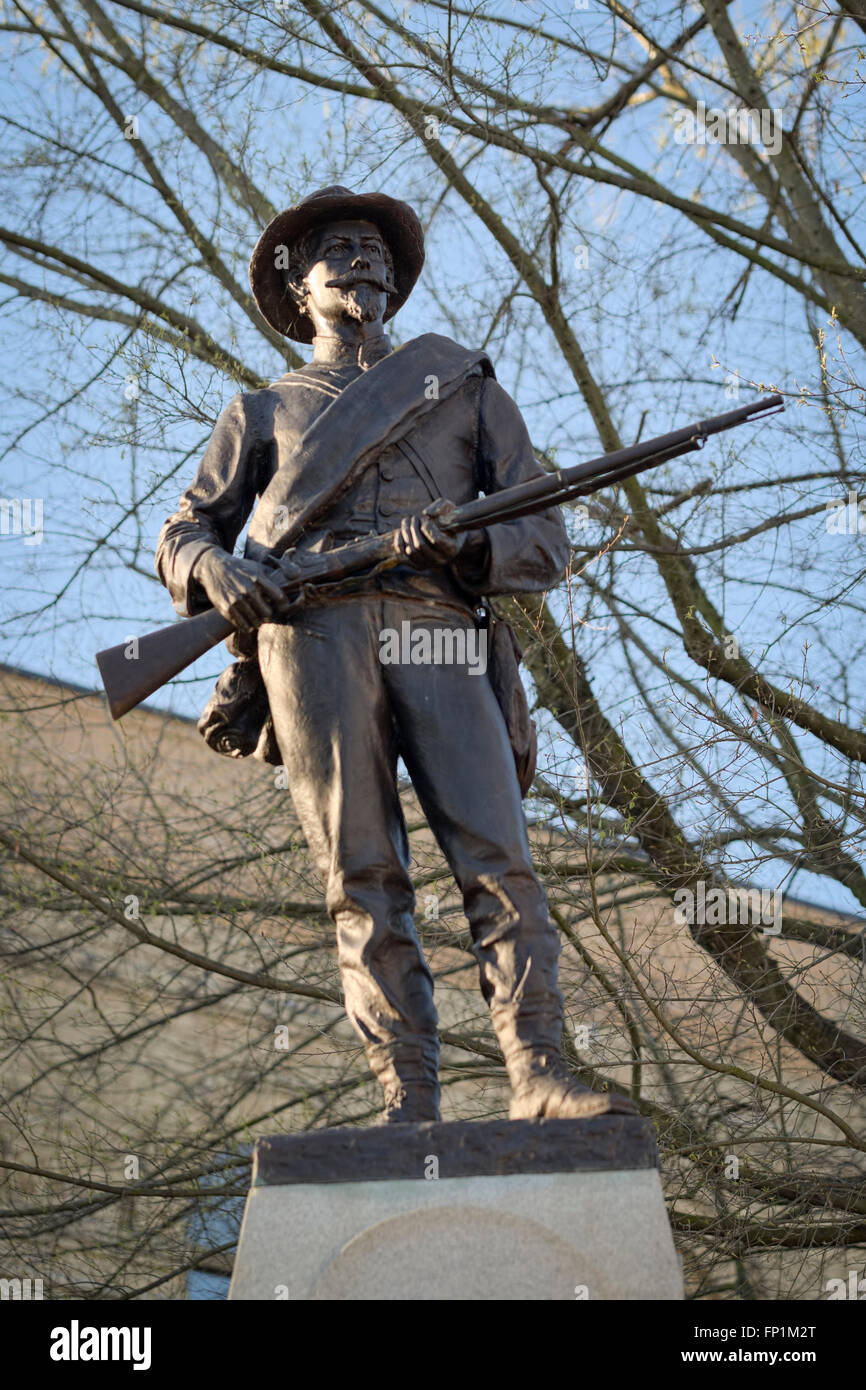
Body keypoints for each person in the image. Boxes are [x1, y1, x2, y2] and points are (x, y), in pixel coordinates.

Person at [156, 185, 637, 1124]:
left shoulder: (463, 384)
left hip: (438, 628)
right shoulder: (259, 411)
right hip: (313, 639)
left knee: (499, 854)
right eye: (339, 247)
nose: (364, 258)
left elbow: (543, 536)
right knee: (362, 875)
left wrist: (460, 546)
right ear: (300, 288)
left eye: (377, 248)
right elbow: (183, 531)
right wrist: (220, 572)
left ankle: (538, 1072)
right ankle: (408, 1100)